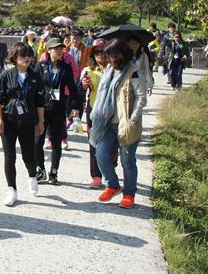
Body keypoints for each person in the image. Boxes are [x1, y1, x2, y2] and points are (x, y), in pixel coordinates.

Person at [90, 39, 147, 209]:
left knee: (127, 161)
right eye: (109, 56)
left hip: (126, 125)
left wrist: (132, 119)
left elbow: (141, 98)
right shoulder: (109, 71)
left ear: (122, 54)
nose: (110, 59)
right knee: (100, 154)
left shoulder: (133, 72)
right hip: (107, 124)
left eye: (113, 55)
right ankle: (113, 185)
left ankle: (129, 194)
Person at [0, 42, 45, 206]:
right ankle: (12, 190)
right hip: (9, 120)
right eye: (24, 56)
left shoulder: (36, 77)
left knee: (29, 155)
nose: (28, 59)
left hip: (28, 121)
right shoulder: (5, 75)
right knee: (9, 156)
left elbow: (40, 102)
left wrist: (41, 121)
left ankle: (32, 176)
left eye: (30, 55)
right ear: (15, 57)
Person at [34, 38, 80, 185]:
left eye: (61, 48)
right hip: (41, 109)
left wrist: (75, 106)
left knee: (56, 142)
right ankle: (40, 169)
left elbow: (73, 89)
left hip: (59, 109)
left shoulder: (65, 67)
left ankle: (54, 171)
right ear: (48, 50)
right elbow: (33, 88)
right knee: (37, 141)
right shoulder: (40, 67)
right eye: (56, 48)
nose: (59, 51)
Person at [79, 38, 115, 189]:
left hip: (112, 111)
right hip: (93, 111)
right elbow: (79, 92)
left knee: (111, 144)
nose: (100, 55)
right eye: (97, 52)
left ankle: (109, 169)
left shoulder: (114, 69)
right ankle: (96, 176)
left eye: (103, 51)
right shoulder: (87, 70)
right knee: (93, 143)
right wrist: (83, 86)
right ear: (92, 55)